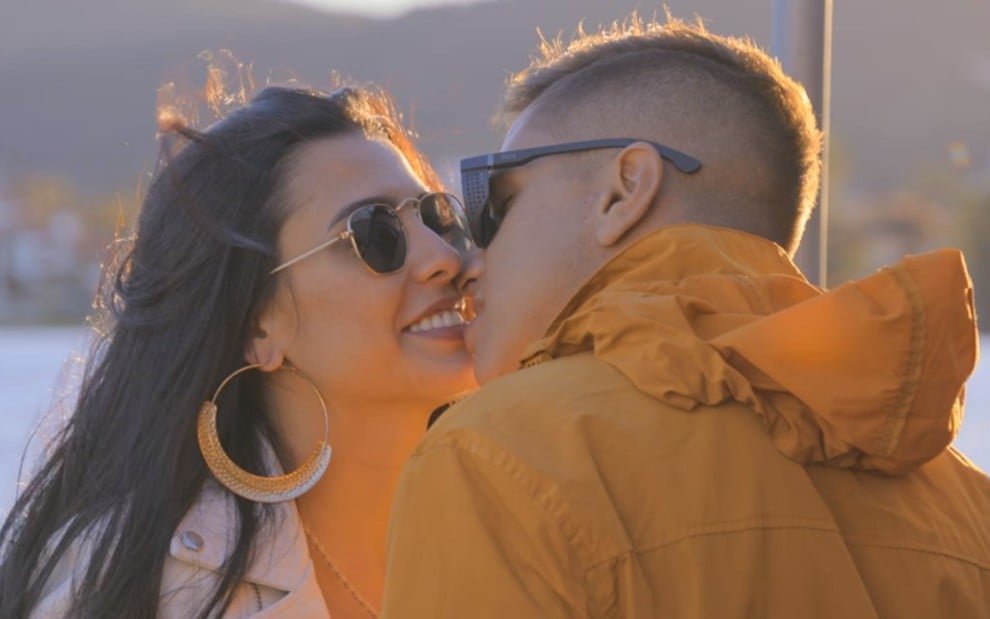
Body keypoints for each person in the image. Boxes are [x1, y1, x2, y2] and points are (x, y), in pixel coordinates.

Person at [382, 14, 990, 618]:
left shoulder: (500, 458)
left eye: (496, 202)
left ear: (624, 191)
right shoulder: (969, 505)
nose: (469, 258)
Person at [0, 83, 477, 618]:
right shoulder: (143, 589)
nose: (444, 257)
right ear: (256, 326)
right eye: (375, 233)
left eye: (438, 217)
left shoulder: (529, 522)